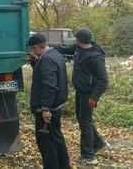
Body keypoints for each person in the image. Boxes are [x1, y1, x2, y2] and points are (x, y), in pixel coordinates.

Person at [54, 28, 108, 165]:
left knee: (85, 123)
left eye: (76, 38)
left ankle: (88, 156)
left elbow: (103, 80)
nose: (74, 40)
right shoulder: (78, 48)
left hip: (89, 94)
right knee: (84, 120)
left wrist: (94, 97)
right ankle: (98, 143)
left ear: (79, 40)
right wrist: (50, 48)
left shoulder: (95, 57)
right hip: (80, 91)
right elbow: (65, 49)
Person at [28, 34, 70, 169]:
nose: (31, 52)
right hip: (57, 106)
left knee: (46, 142)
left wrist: (45, 108)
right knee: (56, 138)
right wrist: (36, 62)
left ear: (36, 47)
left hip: (48, 109)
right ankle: (64, 166)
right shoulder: (55, 55)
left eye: (32, 49)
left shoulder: (46, 60)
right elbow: (48, 76)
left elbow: (49, 85)